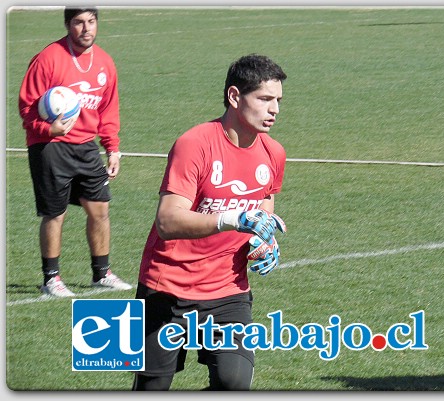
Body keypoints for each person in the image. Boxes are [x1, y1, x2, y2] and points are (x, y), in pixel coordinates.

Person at [132, 54, 288, 391]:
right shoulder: (194, 144)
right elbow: (167, 221)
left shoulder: (274, 153)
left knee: (233, 383)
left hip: (228, 292)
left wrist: (263, 242)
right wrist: (234, 219)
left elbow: (263, 206)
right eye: (264, 99)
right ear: (234, 96)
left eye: (278, 100)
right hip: (167, 289)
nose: (274, 109)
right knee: (151, 389)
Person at [18, 7, 132, 297]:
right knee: (55, 214)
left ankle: (102, 273)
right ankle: (51, 279)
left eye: (91, 22)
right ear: (68, 25)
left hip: (86, 148)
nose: (86, 28)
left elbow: (108, 110)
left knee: (100, 210)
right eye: (79, 22)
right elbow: (27, 108)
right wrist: (48, 130)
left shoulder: (105, 62)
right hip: (51, 147)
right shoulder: (48, 59)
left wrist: (113, 148)